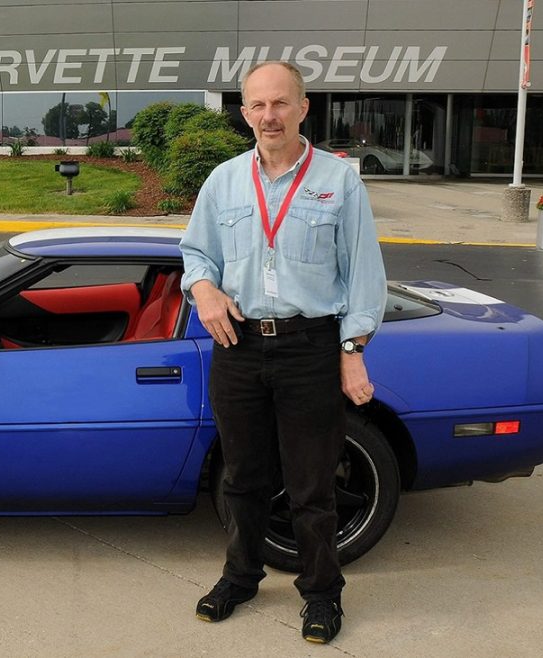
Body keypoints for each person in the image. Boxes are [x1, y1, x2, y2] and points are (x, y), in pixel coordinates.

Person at [179, 60, 386, 645]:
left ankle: (321, 593)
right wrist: (204, 289)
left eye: (280, 103)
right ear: (245, 112)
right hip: (239, 346)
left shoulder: (338, 181)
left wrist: (352, 348)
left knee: (311, 483)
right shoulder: (223, 181)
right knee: (242, 477)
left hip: (309, 347)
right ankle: (240, 577)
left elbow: (364, 274)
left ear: (302, 108)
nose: (269, 116)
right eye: (257, 105)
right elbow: (196, 254)